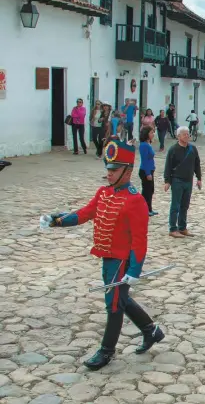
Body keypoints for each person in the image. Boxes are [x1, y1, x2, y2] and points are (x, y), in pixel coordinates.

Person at [41, 138, 165, 369]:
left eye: (114, 170)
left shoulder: (135, 200)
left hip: (122, 260)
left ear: (127, 172)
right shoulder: (104, 193)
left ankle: (106, 351)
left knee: (114, 304)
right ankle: (152, 331)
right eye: (108, 169)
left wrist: (135, 270)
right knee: (120, 298)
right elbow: (84, 214)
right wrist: (56, 220)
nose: (109, 174)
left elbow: (139, 241)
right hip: (107, 257)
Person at [164, 126, 202, 238]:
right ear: (178, 136)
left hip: (188, 180)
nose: (187, 136)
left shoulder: (192, 149)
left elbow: (197, 164)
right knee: (175, 205)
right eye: (184, 134)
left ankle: (182, 227)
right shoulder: (173, 149)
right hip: (177, 180)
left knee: (185, 206)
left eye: (188, 134)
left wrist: (199, 178)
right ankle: (172, 228)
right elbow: (168, 166)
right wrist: (167, 181)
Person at [139, 126, 158, 217]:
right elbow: (145, 160)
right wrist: (148, 173)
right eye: (151, 133)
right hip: (146, 170)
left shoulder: (148, 144)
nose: (153, 134)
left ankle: (149, 208)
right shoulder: (144, 145)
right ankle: (144, 209)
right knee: (146, 191)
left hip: (151, 169)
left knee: (151, 190)